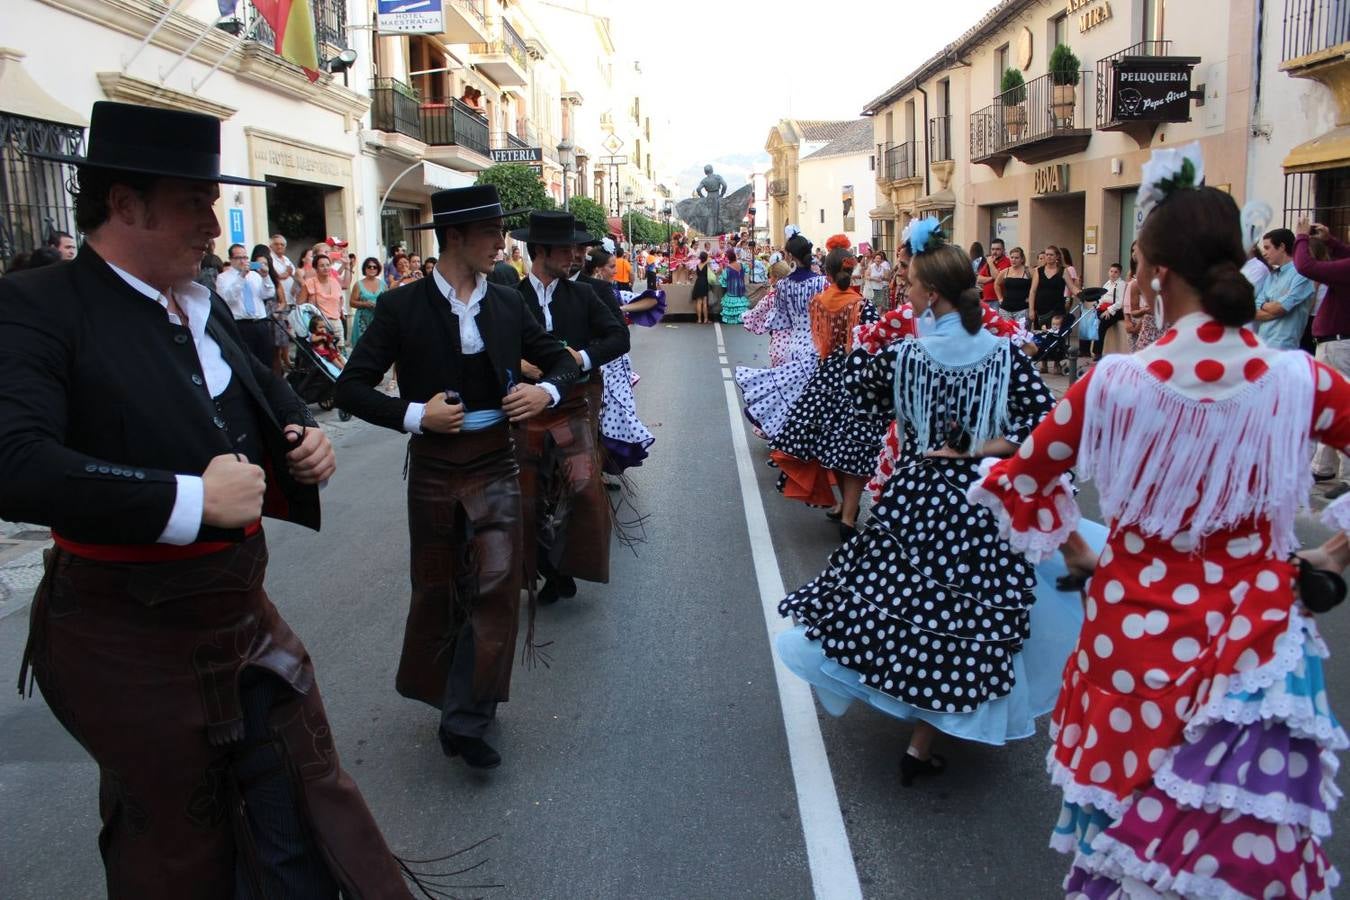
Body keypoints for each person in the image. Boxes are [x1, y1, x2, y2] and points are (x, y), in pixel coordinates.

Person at [0, 99, 411, 898]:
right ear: (125, 205)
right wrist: (187, 498)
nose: (214, 225)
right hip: (122, 631)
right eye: (194, 202)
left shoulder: (199, 299)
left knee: (304, 804)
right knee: (179, 846)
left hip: (238, 608)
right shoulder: (37, 306)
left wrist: (302, 435)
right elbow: (15, 464)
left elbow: (265, 393)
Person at [969, 143, 1350, 900]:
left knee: (1129, 843)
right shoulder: (1300, 380)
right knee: (1237, 855)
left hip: (1128, 646)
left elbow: (1020, 482)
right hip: (1257, 644)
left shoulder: (1111, 385)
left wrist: (1081, 547)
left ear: (1157, 275)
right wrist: (1336, 554)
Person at [777, 219, 1063, 785]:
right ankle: (923, 739)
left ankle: (914, 721)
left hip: (916, 494)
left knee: (900, 605)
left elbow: (858, 388)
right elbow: (1045, 429)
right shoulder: (1005, 356)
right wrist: (979, 446)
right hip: (981, 501)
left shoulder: (906, 355)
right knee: (967, 616)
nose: (903, 291)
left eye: (909, 285)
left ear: (931, 295)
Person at [334, 186, 579, 770]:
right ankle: (448, 694)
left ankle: (468, 718)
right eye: (492, 230)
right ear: (455, 237)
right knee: (440, 588)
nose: (503, 241)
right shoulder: (402, 307)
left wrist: (543, 389)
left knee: (496, 584)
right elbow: (349, 387)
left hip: (496, 459)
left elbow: (561, 360)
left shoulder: (506, 304)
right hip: (435, 468)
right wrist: (416, 415)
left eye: (502, 229)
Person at [510, 211, 630, 606]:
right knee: (528, 496)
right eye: (566, 249)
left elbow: (618, 338)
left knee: (583, 490)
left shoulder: (585, 293)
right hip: (525, 408)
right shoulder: (511, 297)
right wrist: (519, 365)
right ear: (540, 251)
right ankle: (547, 568)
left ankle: (568, 563)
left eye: (577, 249)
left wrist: (578, 359)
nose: (576, 255)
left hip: (574, 402)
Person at [767, 240, 882, 535]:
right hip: (858, 378)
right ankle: (848, 513)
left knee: (832, 445)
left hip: (827, 375)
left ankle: (846, 507)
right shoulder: (861, 305)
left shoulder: (819, 302)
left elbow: (822, 343)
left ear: (827, 273)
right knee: (853, 446)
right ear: (852, 270)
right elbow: (872, 343)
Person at [735, 231, 829, 439]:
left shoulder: (783, 286)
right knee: (812, 397)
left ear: (790, 257)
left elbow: (780, 320)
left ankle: (787, 439)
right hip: (816, 345)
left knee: (790, 396)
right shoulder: (822, 283)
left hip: (793, 345)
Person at [1294, 218, 1350, 497]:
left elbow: (1307, 267)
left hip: (1340, 344)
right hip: (1334, 343)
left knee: (1341, 407)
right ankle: (1324, 467)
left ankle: (1347, 478)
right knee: (1331, 405)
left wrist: (1302, 238)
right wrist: (1330, 241)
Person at [1252, 227, 1316, 350]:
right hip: (1263, 344)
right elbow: (1254, 310)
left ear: (1281, 247)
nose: (1264, 253)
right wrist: (1270, 306)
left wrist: (1266, 305)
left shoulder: (1301, 274)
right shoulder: (1272, 275)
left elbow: (1281, 307)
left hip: (1284, 346)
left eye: (1267, 248)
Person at [216, 242, 273, 368]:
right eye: (239, 258)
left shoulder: (255, 275)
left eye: (245, 257)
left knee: (266, 359)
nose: (243, 261)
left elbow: (268, 294)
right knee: (247, 361)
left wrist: (265, 277)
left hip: (261, 322)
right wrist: (241, 276)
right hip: (242, 325)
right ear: (231, 259)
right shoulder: (223, 278)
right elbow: (228, 299)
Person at [250, 243, 288, 376]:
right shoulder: (249, 277)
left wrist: (277, 312)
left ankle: (277, 378)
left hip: (274, 318)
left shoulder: (272, 278)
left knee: (275, 354)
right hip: (258, 319)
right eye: (258, 263)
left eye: (265, 263)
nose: (262, 266)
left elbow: (283, 301)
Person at [300, 251, 346, 345]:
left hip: (336, 323)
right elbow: (300, 305)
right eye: (322, 266)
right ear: (316, 268)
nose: (326, 268)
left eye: (328, 265)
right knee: (323, 354)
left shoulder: (335, 282)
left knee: (339, 353)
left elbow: (340, 300)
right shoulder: (309, 283)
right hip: (319, 325)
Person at [1028, 244, 1068, 327]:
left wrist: (1081, 293)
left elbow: (1072, 287)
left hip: (1057, 309)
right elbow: (1033, 291)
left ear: (1057, 256)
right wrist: (1031, 310)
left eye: (1051, 255)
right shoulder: (1039, 271)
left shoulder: (1063, 271)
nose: (1049, 257)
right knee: (1040, 336)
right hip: (1041, 309)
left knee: (1055, 335)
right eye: (1047, 255)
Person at [348, 255, 383, 348]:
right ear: (365, 269)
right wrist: (364, 304)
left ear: (378, 269)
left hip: (377, 319)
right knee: (362, 347)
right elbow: (351, 302)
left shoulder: (383, 284)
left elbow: (387, 301)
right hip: (362, 321)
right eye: (369, 266)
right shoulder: (358, 284)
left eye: (374, 267)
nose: (372, 269)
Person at [994, 246, 1032, 325]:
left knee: (1021, 334)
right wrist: (1000, 298)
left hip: (1022, 309)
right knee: (1007, 333)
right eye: (1012, 257)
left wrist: (1030, 298)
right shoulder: (1005, 271)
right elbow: (996, 284)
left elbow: (1036, 286)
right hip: (1005, 309)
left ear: (1022, 259)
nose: (1013, 260)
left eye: (1016, 258)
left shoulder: (1029, 271)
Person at [976, 238, 1011, 306]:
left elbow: (998, 278)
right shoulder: (990, 261)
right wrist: (992, 277)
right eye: (993, 249)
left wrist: (991, 264)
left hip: (998, 300)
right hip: (986, 299)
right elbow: (979, 279)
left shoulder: (1007, 262)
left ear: (1003, 250)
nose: (994, 252)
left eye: (998, 249)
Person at [720, 249, 749, 324]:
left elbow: (723, 281)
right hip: (740, 288)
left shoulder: (727, 268)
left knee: (731, 303)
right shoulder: (742, 265)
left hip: (732, 290)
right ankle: (741, 318)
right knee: (741, 304)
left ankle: (733, 319)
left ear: (729, 258)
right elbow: (748, 269)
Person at [692, 251, 712, 324]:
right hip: (704, 282)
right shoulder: (707, 265)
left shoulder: (698, 265)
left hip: (698, 282)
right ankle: (706, 319)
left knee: (698, 302)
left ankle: (699, 319)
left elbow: (695, 273)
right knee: (704, 302)